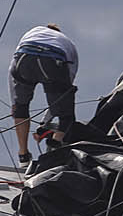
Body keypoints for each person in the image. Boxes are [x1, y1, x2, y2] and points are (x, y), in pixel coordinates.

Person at [10, 23, 79, 166]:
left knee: (21, 107)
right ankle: (55, 145)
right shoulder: (67, 43)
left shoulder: (32, 31)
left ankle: (23, 155)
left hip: (24, 57)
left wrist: (14, 105)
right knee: (66, 115)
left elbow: (13, 69)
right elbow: (64, 92)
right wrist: (45, 122)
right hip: (53, 59)